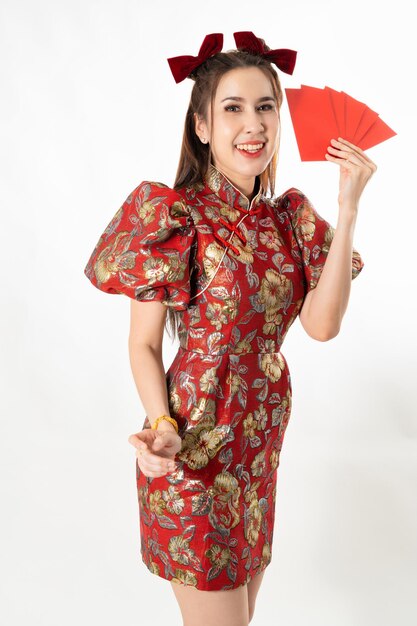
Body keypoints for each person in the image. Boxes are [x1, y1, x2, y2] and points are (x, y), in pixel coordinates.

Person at [83, 31, 376, 626]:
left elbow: (322, 326)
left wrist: (348, 207)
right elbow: (142, 343)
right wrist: (162, 425)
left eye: (266, 106)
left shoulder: (289, 219)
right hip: (191, 449)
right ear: (202, 126)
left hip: (259, 454)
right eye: (233, 108)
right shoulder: (172, 214)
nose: (254, 124)